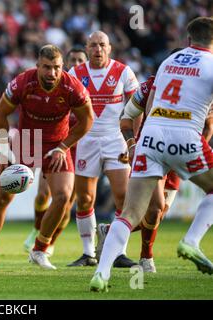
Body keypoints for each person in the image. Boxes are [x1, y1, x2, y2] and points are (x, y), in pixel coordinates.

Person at [90, 16, 213, 292]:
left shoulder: (167, 63)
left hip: (151, 137)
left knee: (131, 212)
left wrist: (134, 144)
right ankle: (191, 241)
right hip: (185, 137)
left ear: (188, 39)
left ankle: (101, 273)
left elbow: (141, 106)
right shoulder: (211, 64)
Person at [0, 44, 94, 270]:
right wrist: (4, 150)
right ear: (38, 66)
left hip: (56, 145)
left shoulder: (73, 87)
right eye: (47, 67)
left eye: (57, 68)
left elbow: (87, 120)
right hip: (26, 142)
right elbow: (1, 114)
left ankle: (40, 250)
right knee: (2, 196)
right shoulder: (23, 82)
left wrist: (63, 147)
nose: (52, 73)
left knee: (62, 197)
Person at [67, 31, 139, 267]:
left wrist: (134, 139)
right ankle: (89, 254)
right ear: (86, 49)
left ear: (109, 48)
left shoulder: (123, 71)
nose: (97, 49)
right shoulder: (75, 73)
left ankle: (118, 253)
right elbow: (65, 109)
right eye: (93, 45)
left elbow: (137, 106)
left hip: (114, 139)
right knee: (85, 198)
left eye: (102, 45)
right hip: (87, 141)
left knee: (123, 197)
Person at [23, 47, 88, 256]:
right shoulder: (63, 83)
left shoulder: (91, 83)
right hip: (59, 143)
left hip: (83, 145)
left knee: (68, 201)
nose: (78, 64)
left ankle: (49, 243)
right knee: (43, 193)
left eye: (81, 60)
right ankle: (37, 228)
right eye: (74, 60)